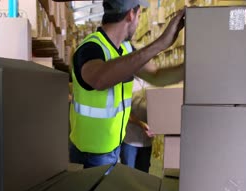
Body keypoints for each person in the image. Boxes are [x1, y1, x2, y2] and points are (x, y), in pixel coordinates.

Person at [69, 0, 185, 169]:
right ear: (131, 14)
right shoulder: (90, 48)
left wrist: (192, 67)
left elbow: (157, 76)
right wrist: (160, 44)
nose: (138, 22)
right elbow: (99, 79)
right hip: (90, 156)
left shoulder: (126, 49)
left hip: (113, 149)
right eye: (139, 16)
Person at [120, 77, 153, 173]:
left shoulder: (153, 82)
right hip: (130, 141)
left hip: (147, 142)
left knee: (143, 176)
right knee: (128, 176)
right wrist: (141, 124)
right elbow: (124, 112)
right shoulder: (128, 81)